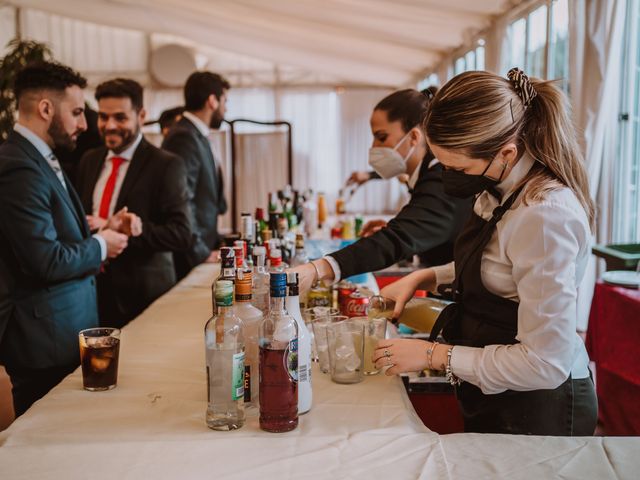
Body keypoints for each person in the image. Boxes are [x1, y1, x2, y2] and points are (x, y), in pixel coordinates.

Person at [373, 69, 598, 436]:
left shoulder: (543, 217)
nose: (448, 178)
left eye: (456, 168)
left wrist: (432, 355)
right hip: (496, 391)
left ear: (506, 151)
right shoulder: (499, 183)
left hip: (541, 407)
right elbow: (496, 264)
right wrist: (423, 277)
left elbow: (544, 363)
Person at [0, 62, 128, 416]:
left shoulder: (38, 158)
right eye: (76, 112)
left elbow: (56, 235)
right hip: (44, 339)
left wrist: (101, 230)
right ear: (45, 109)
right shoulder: (18, 167)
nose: (85, 125)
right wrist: (102, 246)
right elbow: (44, 260)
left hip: (64, 330)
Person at [293, 88, 471, 292]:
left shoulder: (442, 179)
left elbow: (397, 240)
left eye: (381, 137)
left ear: (414, 137)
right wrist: (396, 226)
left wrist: (319, 269)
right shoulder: (428, 174)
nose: (374, 146)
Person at [75, 79, 192, 329]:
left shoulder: (166, 164)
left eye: (120, 117)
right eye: (103, 117)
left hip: (143, 297)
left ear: (141, 115)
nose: (109, 126)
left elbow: (182, 234)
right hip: (92, 293)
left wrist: (127, 230)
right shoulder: (89, 160)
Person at [162, 71, 229, 280]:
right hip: (191, 255)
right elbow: (183, 199)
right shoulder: (183, 136)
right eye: (225, 101)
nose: (226, 108)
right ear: (212, 100)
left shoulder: (196, 134)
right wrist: (200, 251)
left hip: (205, 245)